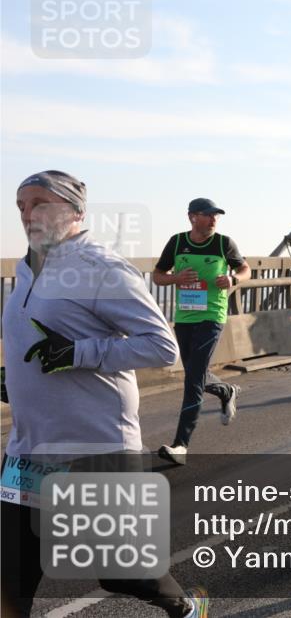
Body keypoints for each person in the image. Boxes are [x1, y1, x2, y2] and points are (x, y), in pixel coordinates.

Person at [2, 171, 206, 617]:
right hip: (28, 449)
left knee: (123, 573)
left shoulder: (101, 268)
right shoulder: (27, 266)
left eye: (40, 203)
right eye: (21, 205)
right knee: (9, 575)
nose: (27, 214)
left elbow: (162, 347)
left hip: (93, 446)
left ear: (75, 210)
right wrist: (14, 375)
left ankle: (188, 608)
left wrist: (78, 352)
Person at [153, 198, 250, 466]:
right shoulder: (177, 242)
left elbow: (245, 269)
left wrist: (232, 279)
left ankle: (181, 445)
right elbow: (158, 275)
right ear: (192, 217)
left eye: (216, 215)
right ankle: (226, 391)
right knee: (195, 373)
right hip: (184, 317)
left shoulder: (223, 243)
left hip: (212, 316)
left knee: (193, 380)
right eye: (208, 214)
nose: (213, 219)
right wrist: (176, 278)